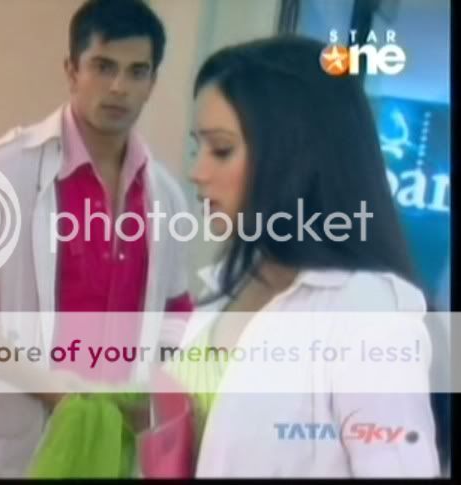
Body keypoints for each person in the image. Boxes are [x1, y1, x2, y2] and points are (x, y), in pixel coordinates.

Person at [0, 0, 192, 478]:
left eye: (137, 71)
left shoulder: (166, 195)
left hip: (113, 445)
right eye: (103, 66)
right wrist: (49, 386)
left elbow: (176, 311)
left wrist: (156, 394)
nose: (119, 87)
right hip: (12, 440)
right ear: (72, 71)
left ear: (152, 82)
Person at [165, 36, 441, 477]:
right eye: (198, 148)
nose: (197, 172)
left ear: (293, 154)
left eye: (222, 150)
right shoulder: (230, 283)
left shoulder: (367, 313)